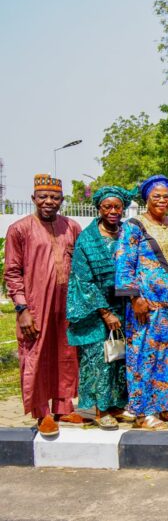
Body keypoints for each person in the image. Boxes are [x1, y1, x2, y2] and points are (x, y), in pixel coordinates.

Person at [4, 175, 83, 436]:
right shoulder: (20, 229)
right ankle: (42, 413)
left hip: (67, 302)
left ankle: (63, 407)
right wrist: (22, 308)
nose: (49, 202)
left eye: (55, 197)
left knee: (66, 352)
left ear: (62, 200)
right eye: (43, 197)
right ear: (33, 199)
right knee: (36, 355)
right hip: (35, 305)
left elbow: (80, 267)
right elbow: (12, 272)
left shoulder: (71, 227)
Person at [114, 175, 168, 431]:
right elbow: (124, 262)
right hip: (145, 302)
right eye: (157, 196)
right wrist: (135, 298)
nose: (162, 200)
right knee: (143, 354)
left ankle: (165, 405)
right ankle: (143, 411)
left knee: (166, 354)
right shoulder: (134, 225)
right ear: (146, 199)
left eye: (166, 196)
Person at [66, 186, 136, 431]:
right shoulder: (87, 238)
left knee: (118, 357)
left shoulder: (128, 233)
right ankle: (99, 409)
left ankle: (116, 405)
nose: (113, 211)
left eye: (117, 207)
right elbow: (82, 280)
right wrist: (105, 313)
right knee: (98, 359)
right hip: (95, 309)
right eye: (108, 207)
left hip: (125, 305)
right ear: (99, 208)